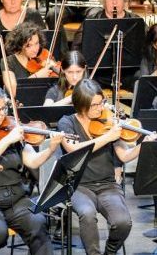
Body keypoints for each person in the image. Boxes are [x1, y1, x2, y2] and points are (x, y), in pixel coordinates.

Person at [0, 84, 63, 255]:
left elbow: (32, 162)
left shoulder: (12, 129)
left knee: (38, 223)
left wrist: (50, 148)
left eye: (3, 108)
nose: (2, 113)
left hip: (15, 199)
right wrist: (7, 141)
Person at [57, 79, 145, 255]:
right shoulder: (66, 123)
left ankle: (110, 252)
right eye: (94, 105)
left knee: (123, 222)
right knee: (87, 214)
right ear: (81, 105)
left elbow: (124, 155)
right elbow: (73, 149)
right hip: (78, 185)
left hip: (107, 185)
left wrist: (144, 146)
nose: (100, 108)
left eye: (102, 102)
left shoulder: (108, 122)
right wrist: (107, 137)